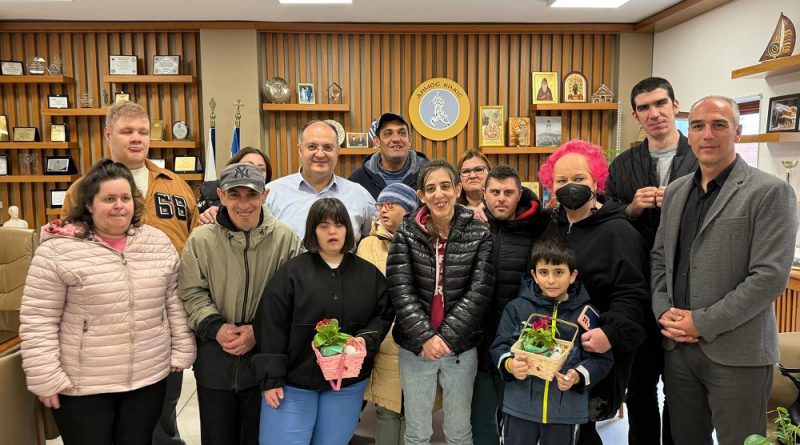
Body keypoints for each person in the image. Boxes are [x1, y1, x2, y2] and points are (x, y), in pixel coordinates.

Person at [651, 96, 798, 445]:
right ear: (688, 135)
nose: (707, 134)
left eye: (719, 125)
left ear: (738, 132)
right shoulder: (676, 192)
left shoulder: (770, 192)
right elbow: (660, 258)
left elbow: (769, 278)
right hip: (678, 350)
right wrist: (663, 310)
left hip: (738, 353)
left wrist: (702, 323)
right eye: (698, 126)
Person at [19, 159, 196, 445]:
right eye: (109, 199)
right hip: (83, 385)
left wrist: (182, 350)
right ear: (89, 204)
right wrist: (45, 376)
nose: (119, 206)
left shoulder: (157, 243)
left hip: (146, 378)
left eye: (125, 198)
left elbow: (173, 301)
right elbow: (38, 319)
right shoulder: (58, 251)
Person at [59, 101, 199, 445]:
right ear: (109, 135)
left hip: (161, 321)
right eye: (127, 131)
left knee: (162, 416)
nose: (137, 138)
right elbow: (66, 256)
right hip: (103, 332)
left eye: (142, 132)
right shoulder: (82, 190)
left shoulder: (176, 185)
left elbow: (195, 243)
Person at [178, 162, 303, 445]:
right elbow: (191, 291)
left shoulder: (287, 240)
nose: (244, 204)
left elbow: (295, 298)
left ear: (265, 195)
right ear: (221, 196)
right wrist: (216, 328)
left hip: (264, 364)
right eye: (235, 195)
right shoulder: (200, 240)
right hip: (214, 362)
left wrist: (258, 331)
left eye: (252, 194)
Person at [254, 197, 394, 445]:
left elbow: (383, 314)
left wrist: (365, 340)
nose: (332, 232)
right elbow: (270, 325)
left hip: (346, 385)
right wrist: (271, 378)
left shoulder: (368, 274)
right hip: (293, 384)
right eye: (324, 226)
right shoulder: (291, 273)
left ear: (347, 230)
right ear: (313, 231)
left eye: (339, 225)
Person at [604, 76, 698, 445]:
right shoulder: (623, 165)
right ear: (635, 116)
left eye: (660, 104)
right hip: (639, 290)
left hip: (688, 291)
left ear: (675, 106)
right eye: (644, 108)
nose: (654, 113)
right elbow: (606, 216)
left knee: (682, 388)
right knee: (640, 385)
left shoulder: (701, 158)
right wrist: (632, 207)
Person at [537, 140, 650, 444]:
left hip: (595, 348)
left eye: (579, 178)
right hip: (552, 347)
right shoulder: (552, 226)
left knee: (583, 430)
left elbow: (633, 294)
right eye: (561, 180)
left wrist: (611, 333)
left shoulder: (619, 231)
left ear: (596, 180)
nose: (570, 186)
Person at [387, 159, 495, 445]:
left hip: (460, 347)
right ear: (421, 195)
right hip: (415, 347)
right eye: (431, 188)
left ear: (458, 189)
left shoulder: (479, 232)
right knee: (417, 432)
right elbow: (400, 289)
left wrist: (446, 338)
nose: (439, 194)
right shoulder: (406, 233)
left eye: (445, 186)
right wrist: (425, 337)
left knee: (459, 431)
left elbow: (480, 291)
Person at [491, 237, 613, 445]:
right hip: (519, 409)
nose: (551, 280)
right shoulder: (517, 308)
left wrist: (577, 376)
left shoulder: (587, 315)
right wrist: (510, 365)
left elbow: (602, 360)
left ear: (572, 275)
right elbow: (498, 347)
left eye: (558, 272)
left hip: (565, 414)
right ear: (534, 275)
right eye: (544, 272)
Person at [471, 165, 546, 445]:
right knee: (480, 421)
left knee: (516, 422)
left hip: (520, 342)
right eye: (495, 192)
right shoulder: (471, 225)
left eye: (508, 192)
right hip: (478, 341)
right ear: (484, 194)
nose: (501, 198)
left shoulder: (538, 226)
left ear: (520, 194)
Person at [357, 183, 418, 445]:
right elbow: (364, 293)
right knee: (386, 409)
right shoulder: (368, 245)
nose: (383, 210)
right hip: (384, 337)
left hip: (418, 337)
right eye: (381, 205)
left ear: (409, 210)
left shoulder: (425, 241)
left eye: (391, 205)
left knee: (415, 410)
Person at [266, 120, 375, 243]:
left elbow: (377, 238)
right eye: (312, 147)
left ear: (337, 151)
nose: (320, 154)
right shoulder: (272, 194)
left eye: (327, 147)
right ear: (300, 150)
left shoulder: (359, 195)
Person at [348, 112, 429, 199]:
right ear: (377, 141)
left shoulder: (429, 175)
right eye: (388, 133)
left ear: (409, 140)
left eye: (402, 133)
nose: (396, 139)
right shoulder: (357, 181)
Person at [197, 146, 272, 223]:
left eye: (261, 169)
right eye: (247, 166)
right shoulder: (211, 197)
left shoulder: (275, 198)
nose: (253, 172)